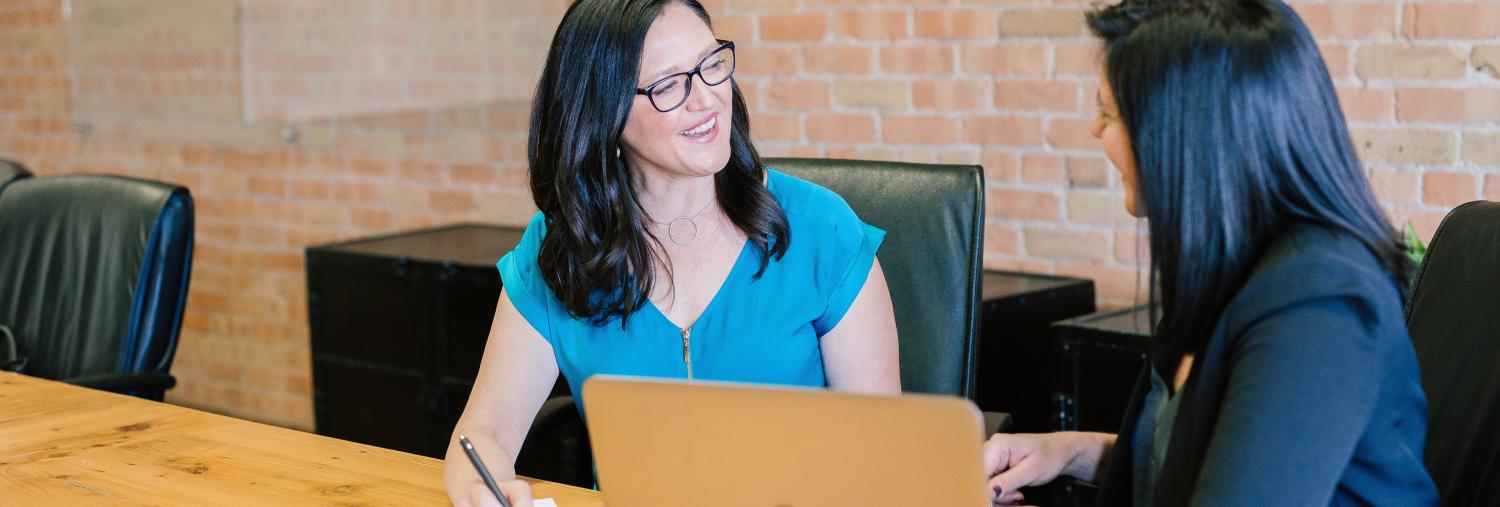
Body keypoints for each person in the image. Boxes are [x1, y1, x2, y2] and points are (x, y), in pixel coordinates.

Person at [443, 1, 901, 505]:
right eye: (668, 85)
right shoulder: (561, 249)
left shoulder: (821, 229)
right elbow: (485, 430)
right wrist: (476, 488)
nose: (706, 100)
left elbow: (881, 454)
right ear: (605, 114)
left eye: (710, 65)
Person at [982, 0, 1439, 505]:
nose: (1096, 131)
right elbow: (1199, 461)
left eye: (1109, 113)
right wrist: (1071, 451)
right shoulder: (1226, 270)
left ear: (1185, 133)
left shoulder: (1319, 302)